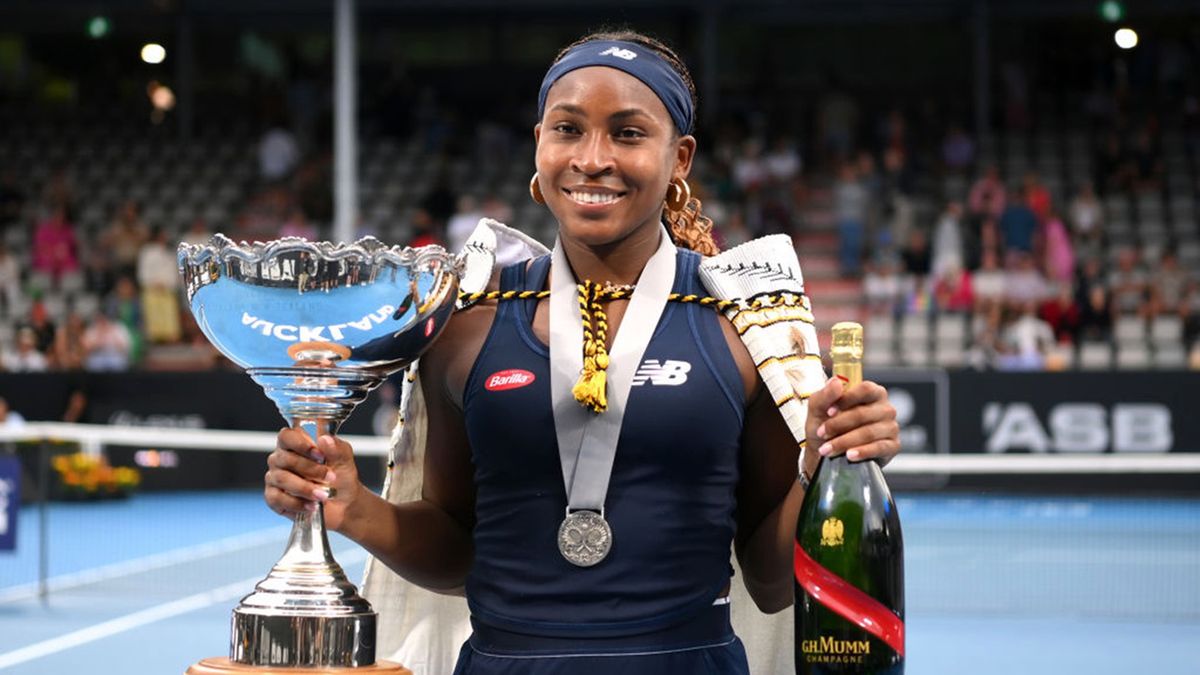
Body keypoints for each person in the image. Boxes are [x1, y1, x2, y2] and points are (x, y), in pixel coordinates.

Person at [264, 30, 900, 675]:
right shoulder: (466, 325)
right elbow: (458, 550)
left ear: (679, 158)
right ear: (539, 141)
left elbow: (768, 583)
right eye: (568, 129)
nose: (593, 158)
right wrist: (355, 507)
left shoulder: (742, 324)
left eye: (628, 133)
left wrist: (822, 463)